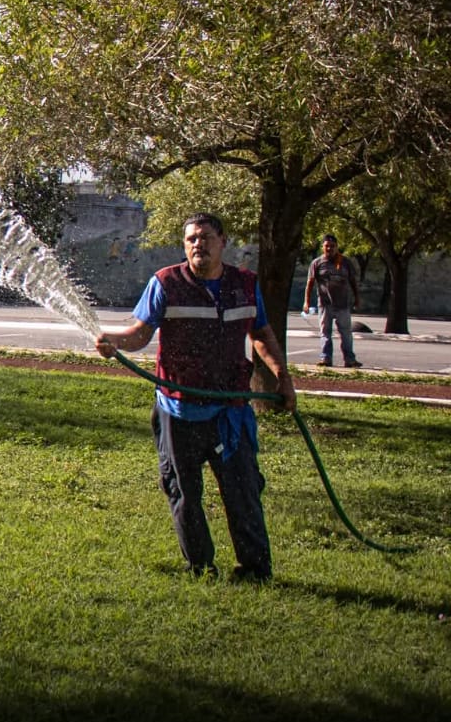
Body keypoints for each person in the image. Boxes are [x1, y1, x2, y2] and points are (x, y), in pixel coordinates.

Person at [94, 212, 296, 581]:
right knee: (184, 493)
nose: (197, 244)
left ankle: (255, 570)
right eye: (190, 239)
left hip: (229, 413)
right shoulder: (166, 283)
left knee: (244, 491)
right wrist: (114, 343)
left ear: (223, 242)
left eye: (204, 237)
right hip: (178, 411)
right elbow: (140, 334)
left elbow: (261, 332)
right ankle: (200, 568)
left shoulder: (245, 285)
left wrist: (281, 375)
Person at [303, 234, 362, 368]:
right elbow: (310, 283)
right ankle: (326, 358)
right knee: (325, 332)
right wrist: (306, 302)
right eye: (327, 246)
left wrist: (357, 299)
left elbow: (353, 282)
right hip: (325, 304)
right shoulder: (317, 263)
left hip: (343, 304)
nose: (330, 248)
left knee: (346, 333)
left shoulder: (345, 262)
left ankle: (350, 359)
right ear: (322, 247)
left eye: (332, 246)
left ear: (337, 247)